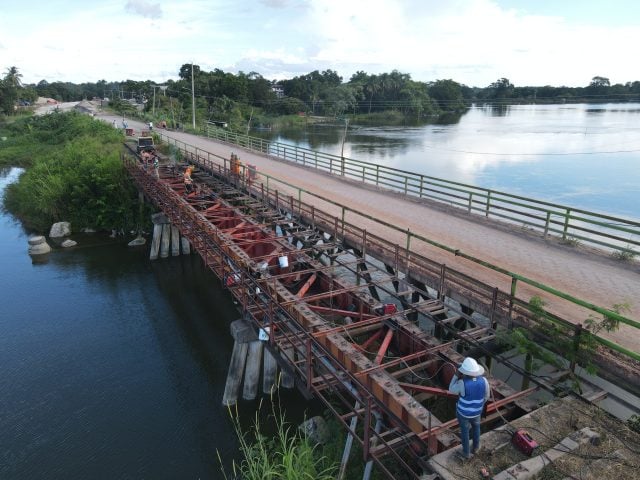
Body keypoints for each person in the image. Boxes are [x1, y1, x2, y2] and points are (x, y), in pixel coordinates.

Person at [448, 357, 490, 460]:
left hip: (463, 413)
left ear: (465, 372)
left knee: (465, 431)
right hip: (477, 412)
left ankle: (466, 453)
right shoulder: (484, 381)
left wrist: (456, 374)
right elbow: (486, 396)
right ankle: (476, 447)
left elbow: (451, 389)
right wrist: (477, 406)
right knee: (476, 427)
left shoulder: (462, 383)